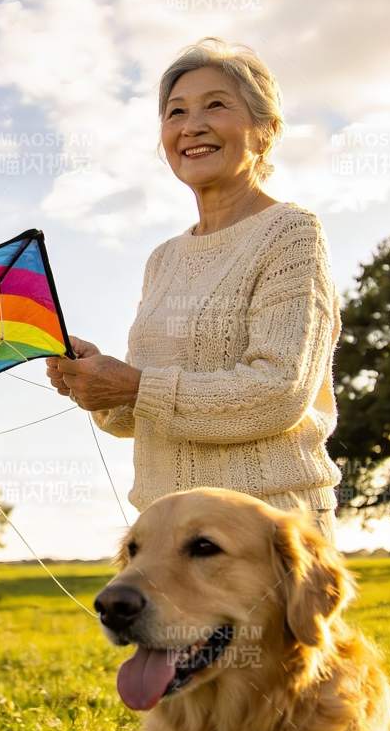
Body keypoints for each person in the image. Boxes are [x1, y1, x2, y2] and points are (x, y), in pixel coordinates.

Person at [48, 38, 342, 544]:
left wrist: (135, 386)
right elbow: (143, 418)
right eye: (175, 112)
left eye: (216, 105)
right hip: (165, 536)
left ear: (266, 131)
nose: (191, 126)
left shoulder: (291, 233)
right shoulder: (163, 258)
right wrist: (96, 385)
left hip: (264, 532)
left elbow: (278, 394)